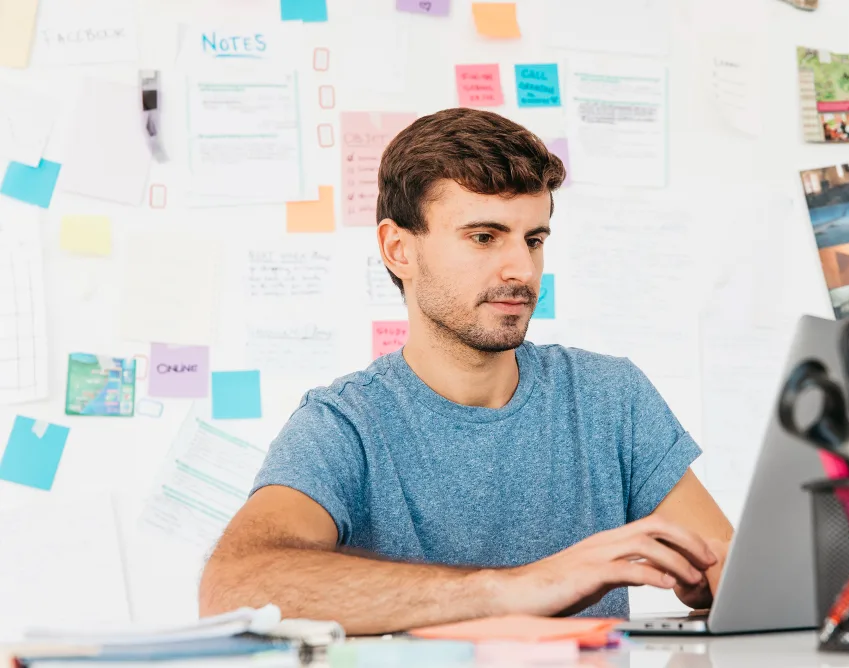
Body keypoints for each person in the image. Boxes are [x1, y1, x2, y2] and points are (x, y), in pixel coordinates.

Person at [199, 108, 734, 635]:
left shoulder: (609, 398)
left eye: (534, 239)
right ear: (398, 249)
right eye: (484, 237)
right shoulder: (346, 425)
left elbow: (731, 572)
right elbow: (233, 587)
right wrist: (516, 589)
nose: (522, 270)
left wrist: (717, 582)